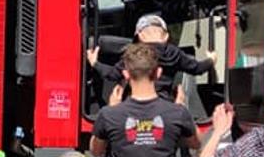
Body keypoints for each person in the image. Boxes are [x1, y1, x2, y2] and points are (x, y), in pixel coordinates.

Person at [87, 14, 215, 105]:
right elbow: (197, 68)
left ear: (139, 36)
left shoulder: (134, 53)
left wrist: (95, 63)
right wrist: (211, 60)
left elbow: (112, 74)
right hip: (165, 103)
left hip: (135, 102)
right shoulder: (174, 53)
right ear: (166, 37)